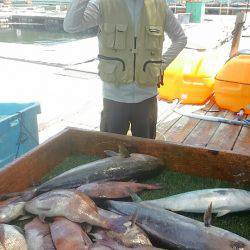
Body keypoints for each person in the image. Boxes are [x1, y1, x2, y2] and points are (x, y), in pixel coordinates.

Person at [63, 0, 187, 139]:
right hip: (114, 97)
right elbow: (71, 26)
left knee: (145, 152)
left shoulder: (159, 5)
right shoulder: (102, 4)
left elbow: (180, 39)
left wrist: (160, 66)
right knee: (110, 149)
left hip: (147, 97)